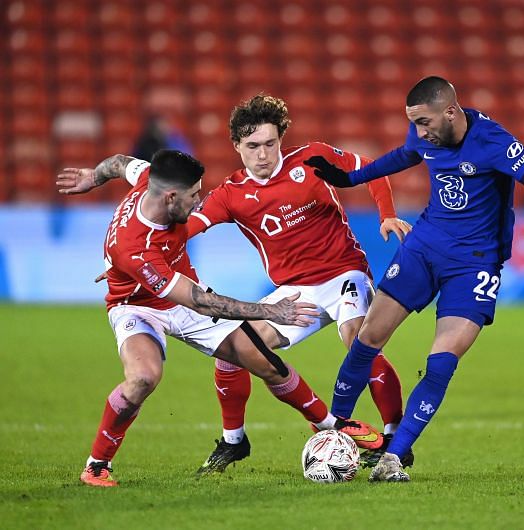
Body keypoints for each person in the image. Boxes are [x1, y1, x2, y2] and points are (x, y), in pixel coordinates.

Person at [58, 94, 414, 475]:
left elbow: (373, 171)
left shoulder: (313, 158)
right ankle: (233, 441)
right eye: (253, 146)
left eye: (270, 144)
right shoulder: (231, 195)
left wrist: (387, 215)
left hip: (345, 273)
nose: (263, 154)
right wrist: (131, 264)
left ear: (281, 139)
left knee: (358, 341)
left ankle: (395, 437)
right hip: (294, 290)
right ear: (237, 147)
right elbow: (183, 229)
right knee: (235, 353)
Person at [304, 76, 524, 482]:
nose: (420, 131)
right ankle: (336, 434)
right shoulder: (424, 131)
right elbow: (406, 154)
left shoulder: (494, 142)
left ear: (451, 112)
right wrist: (347, 179)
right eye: (415, 123)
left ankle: (394, 457)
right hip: (424, 246)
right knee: (369, 336)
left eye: (424, 122)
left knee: (441, 362)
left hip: (474, 264)